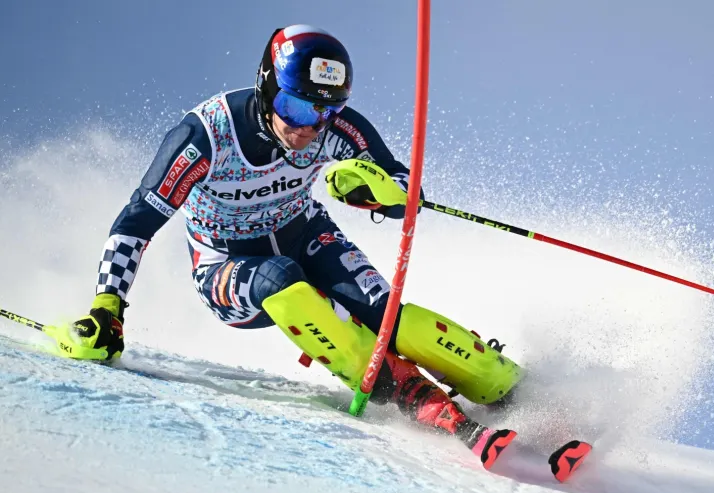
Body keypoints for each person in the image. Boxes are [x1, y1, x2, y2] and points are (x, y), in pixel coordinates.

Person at [64, 24, 520, 468]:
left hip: (304, 234)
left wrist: (378, 188)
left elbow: (404, 187)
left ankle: (507, 385)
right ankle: (397, 387)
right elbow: (136, 222)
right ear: (266, 87)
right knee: (284, 283)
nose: (308, 127)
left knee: (387, 317)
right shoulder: (206, 136)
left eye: (325, 112)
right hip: (227, 264)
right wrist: (108, 307)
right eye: (296, 108)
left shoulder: (333, 126)